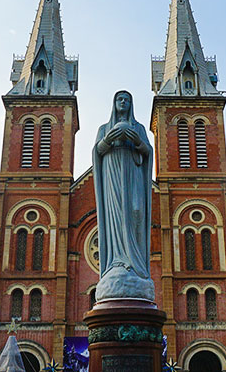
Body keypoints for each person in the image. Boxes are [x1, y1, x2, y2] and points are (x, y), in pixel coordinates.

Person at [91, 90, 155, 302]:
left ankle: (135, 265)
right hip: (113, 182)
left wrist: (137, 141)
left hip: (134, 178)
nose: (123, 102)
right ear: (114, 102)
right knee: (115, 219)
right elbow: (97, 152)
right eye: (120, 99)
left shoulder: (139, 128)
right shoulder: (104, 129)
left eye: (127, 100)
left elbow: (147, 151)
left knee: (136, 213)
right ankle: (117, 262)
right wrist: (108, 140)